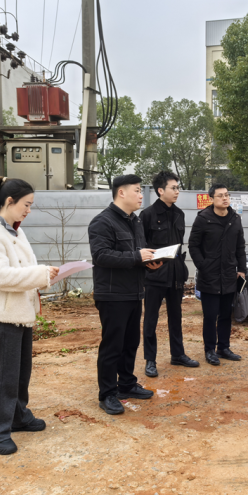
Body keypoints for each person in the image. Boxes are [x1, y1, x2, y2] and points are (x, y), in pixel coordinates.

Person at [0, 177, 59, 456]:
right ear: (9, 201)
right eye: (26, 204)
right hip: (2, 316)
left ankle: (18, 416)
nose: (29, 210)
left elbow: (23, 270)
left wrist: (45, 275)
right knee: (3, 377)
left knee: (20, 373)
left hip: (19, 314)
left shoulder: (14, 231)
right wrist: (40, 274)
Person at [88, 174, 163, 415]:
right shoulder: (102, 222)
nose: (141, 195)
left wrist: (148, 262)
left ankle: (127, 384)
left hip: (134, 292)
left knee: (131, 343)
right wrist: (136, 256)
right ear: (121, 192)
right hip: (112, 295)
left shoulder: (135, 221)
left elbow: (135, 255)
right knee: (113, 346)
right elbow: (101, 255)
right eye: (137, 190)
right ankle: (107, 393)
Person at [141, 171, 199, 377]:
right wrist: (148, 266)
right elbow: (141, 246)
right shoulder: (147, 215)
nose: (177, 191)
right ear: (160, 190)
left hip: (175, 275)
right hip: (154, 276)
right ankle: (150, 360)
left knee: (176, 317)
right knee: (151, 319)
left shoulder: (179, 214)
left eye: (177, 188)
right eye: (173, 188)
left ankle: (178, 354)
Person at [188, 183, 246, 366]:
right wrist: (203, 265)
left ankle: (224, 347)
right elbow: (193, 245)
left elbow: (240, 247)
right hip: (209, 276)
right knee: (210, 315)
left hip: (229, 275)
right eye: (220, 195)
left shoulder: (235, 219)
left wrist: (241, 269)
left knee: (226, 315)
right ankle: (209, 350)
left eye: (227, 195)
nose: (225, 198)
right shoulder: (203, 219)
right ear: (211, 199)